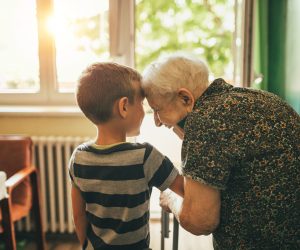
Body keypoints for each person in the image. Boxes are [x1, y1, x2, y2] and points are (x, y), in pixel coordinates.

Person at [142, 54, 300, 249]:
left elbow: (200, 221)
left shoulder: (205, 121)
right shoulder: (258, 98)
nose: (157, 121)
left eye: (157, 110)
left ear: (185, 98)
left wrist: (172, 199)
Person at [69, 62, 184, 250]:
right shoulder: (145, 156)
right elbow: (184, 189)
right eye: (141, 103)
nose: (144, 110)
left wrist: (85, 245)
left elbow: (78, 214)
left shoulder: (79, 158)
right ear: (123, 107)